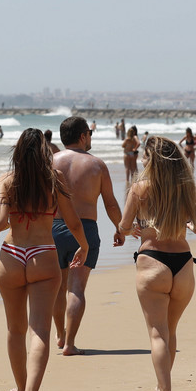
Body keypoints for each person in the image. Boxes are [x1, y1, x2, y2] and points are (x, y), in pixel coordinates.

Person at [0, 128, 89, 391]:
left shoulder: (7, 180)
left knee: (14, 330)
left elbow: (1, 221)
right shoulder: (54, 179)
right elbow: (74, 221)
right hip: (43, 253)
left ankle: (19, 388)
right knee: (39, 331)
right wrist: (84, 247)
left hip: (13, 255)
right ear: (44, 151)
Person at [118, 136, 196, 391]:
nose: (142, 160)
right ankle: (162, 384)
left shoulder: (140, 189)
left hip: (152, 262)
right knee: (170, 330)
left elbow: (123, 226)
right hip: (183, 263)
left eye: (145, 156)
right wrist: (187, 224)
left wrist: (134, 227)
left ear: (152, 159)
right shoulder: (187, 189)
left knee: (158, 334)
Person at [51, 117, 125, 356]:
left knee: (57, 288)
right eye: (89, 134)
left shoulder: (50, 163)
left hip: (53, 228)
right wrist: (120, 228)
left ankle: (60, 335)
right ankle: (70, 343)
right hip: (84, 229)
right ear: (83, 136)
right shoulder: (97, 165)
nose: (90, 138)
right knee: (76, 288)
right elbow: (110, 203)